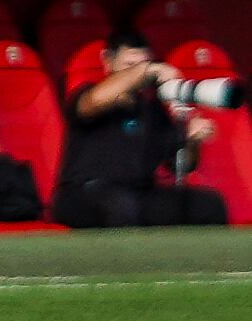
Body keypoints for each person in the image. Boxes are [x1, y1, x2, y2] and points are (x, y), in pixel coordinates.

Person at [55, 28, 230, 228]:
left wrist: (193, 140)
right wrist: (148, 70)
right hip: (83, 193)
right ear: (107, 60)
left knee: (208, 205)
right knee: (119, 207)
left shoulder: (152, 109)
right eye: (130, 66)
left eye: (143, 64)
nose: (139, 75)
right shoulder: (88, 93)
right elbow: (93, 102)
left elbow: (181, 164)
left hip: (138, 194)